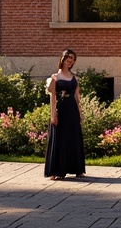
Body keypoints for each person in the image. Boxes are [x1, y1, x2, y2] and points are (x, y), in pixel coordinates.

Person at [44, 49, 85, 180]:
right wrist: (53, 115)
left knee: (74, 137)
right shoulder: (55, 77)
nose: (70, 60)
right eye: (68, 57)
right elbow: (52, 96)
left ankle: (77, 169)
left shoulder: (75, 78)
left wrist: (80, 113)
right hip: (61, 109)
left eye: (73, 59)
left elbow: (77, 96)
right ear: (63, 58)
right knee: (60, 138)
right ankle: (56, 171)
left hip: (72, 108)